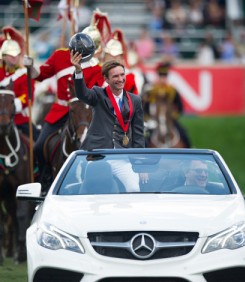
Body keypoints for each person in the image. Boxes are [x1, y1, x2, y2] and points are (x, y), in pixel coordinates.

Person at [23, 21, 104, 187]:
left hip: (84, 112)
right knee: (39, 146)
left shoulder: (96, 68)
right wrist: (30, 67)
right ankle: (44, 179)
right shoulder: (59, 56)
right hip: (61, 109)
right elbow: (41, 74)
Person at [71, 57, 145, 191]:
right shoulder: (98, 94)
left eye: (122, 75)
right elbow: (82, 94)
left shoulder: (135, 100)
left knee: (134, 189)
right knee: (85, 190)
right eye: (115, 76)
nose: (120, 79)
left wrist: (141, 165)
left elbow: (139, 134)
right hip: (98, 157)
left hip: (122, 158)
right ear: (106, 79)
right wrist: (78, 70)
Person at [0, 26, 39, 141]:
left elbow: (27, 97)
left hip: (19, 119)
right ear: (3, 56)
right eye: (10, 54)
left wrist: (10, 107)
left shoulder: (25, 74)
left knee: (38, 145)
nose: (13, 57)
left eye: (16, 54)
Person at [142, 61, 191, 148]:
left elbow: (180, 107)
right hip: (154, 120)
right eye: (161, 76)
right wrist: (149, 119)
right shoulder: (152, 91)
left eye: (164, 76)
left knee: (183, 133)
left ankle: (190, 150)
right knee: (146, 137)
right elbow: (145, 107)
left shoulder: (172, 90)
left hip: (169, 119)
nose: (163, 79)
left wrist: (173, 116)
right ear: (158, 76)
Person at [103, 29, 139, 94]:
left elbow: (133, 100)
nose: (113, 61)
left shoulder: (129, 78)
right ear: (105, 58)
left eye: (116, 57)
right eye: (110, 57)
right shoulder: (97, 75)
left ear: (121, 59)